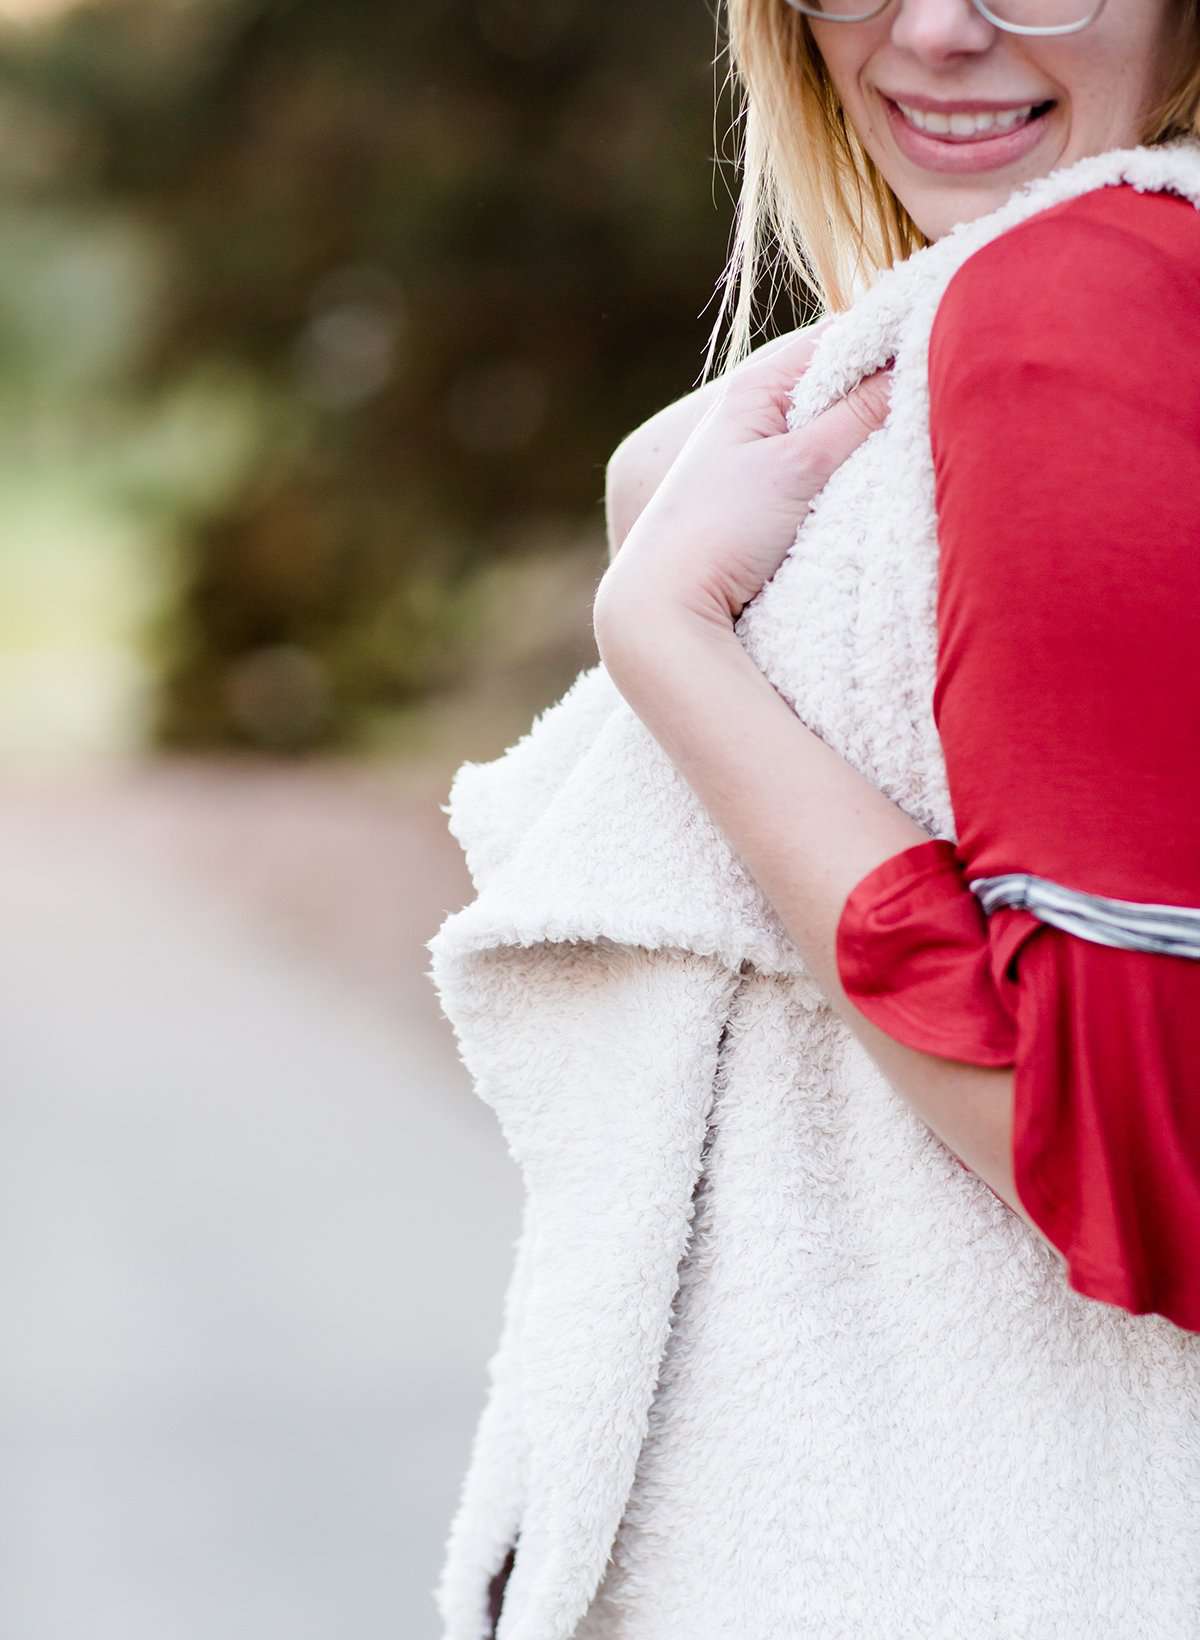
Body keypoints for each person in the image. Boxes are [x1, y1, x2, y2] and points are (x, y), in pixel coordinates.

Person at [430, 2, 1200, 1635]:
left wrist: (674, 646)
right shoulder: (998, 325)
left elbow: (1154, 1166)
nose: (934, 28)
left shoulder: (1080, 298)